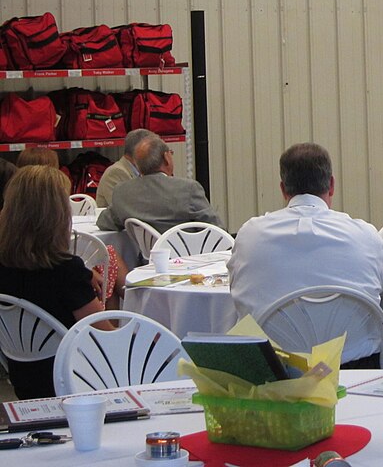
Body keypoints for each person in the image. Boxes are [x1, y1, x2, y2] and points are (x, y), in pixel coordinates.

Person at [227, 142, 383, 367]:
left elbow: (235, 286)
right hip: (355, 370)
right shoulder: (364, 235)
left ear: (283, 189)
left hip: (273, 376)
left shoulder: (249, 235)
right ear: (332, 185)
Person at [0, 166, 113, 399]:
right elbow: (104, 336)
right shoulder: (65, 271)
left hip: (22, 378)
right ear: (57, 213)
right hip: (73, 379)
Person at [97, 135, 223, 234]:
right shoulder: (188, 189)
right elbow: (217, 230)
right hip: (188, 259)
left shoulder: (122, 192)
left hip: (145, 261)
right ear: (166, 158)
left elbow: (103, 222)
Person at [95, 128, 153, 208]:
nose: (153, 155)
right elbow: (125, 209)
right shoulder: (115, 173)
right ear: (138, 151)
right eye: (151, 150)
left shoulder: (140, 171)